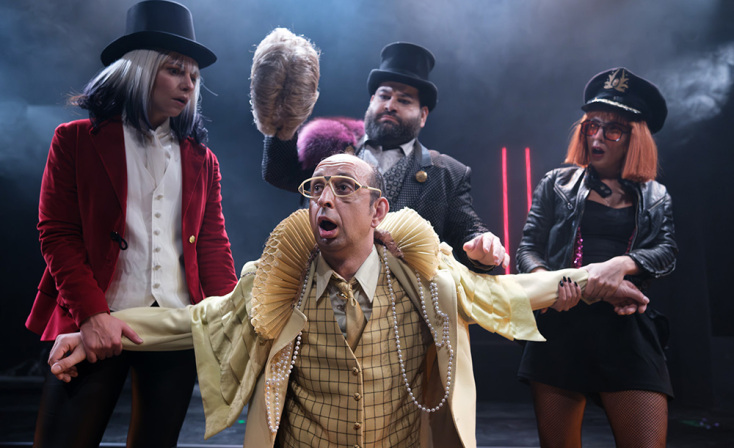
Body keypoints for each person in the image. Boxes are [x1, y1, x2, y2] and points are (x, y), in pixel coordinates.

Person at [48, 154, 648, 448]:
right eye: (317, 189)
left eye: (343, 188)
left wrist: (593, 278)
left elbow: (504, 291)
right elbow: (197, 318)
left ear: (378, 209)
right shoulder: (277, 281)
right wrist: (100, 327)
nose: (324, 200)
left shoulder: (425, 276)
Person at [25, 1, 239, 447]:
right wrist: (93, 315)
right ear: (139, 70)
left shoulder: (202, 160)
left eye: (194, 76)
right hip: (93, 320)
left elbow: (212, 245)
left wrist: (229, 318)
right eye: (175, 70)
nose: (188, 83)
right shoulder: (74, 141)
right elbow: (58, 235)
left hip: (176, 324)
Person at [515, 68, 678, 448]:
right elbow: (527, 248)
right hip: (561, 325)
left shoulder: (656, 195)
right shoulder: (556, 183)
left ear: (635, 138)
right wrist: (551, 285)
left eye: (613, 130)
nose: (598, 137)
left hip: (626, 330)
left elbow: (667, 251)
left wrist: (620, 264)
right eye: (592, 126)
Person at [254, 31, 508, 271]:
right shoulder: (328, 148)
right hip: (324, 290)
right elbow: (278, 173)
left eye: (404, 100)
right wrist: (281, 118)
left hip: (406, 299)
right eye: (384, 96)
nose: (390, 105)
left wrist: (483, 244)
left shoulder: (447, 173)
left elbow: (469, 230)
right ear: (371, 101)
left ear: (423, 115)